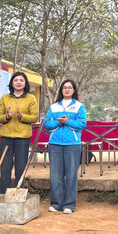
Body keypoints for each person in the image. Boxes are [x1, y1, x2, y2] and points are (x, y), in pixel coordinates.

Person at [44, 79, 87, 214]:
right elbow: (47, 124)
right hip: (55, 144)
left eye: (69, 87)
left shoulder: (79, 106)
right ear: (61, 90)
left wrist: (67, 122)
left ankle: (69, 204)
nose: (67, 90)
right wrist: (59, 123)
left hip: (72, 144)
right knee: (55, 174)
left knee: (71, 174)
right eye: (64, 87)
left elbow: (82, 124)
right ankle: (56, 203)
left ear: (74, 90)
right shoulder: (54, 107)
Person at [0, 72, 39, 193]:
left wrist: (21, 116)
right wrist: (7, 116)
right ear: (12, 83)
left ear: (25, 83)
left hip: (23, 137)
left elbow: (34, 117)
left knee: (21, 167)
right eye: (16, 80)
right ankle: (4, 193)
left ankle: (18, 193)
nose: (18, 82)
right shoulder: (5, 98)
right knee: (5, 167)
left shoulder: (31, 98)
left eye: (21, 80)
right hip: (6, 137)